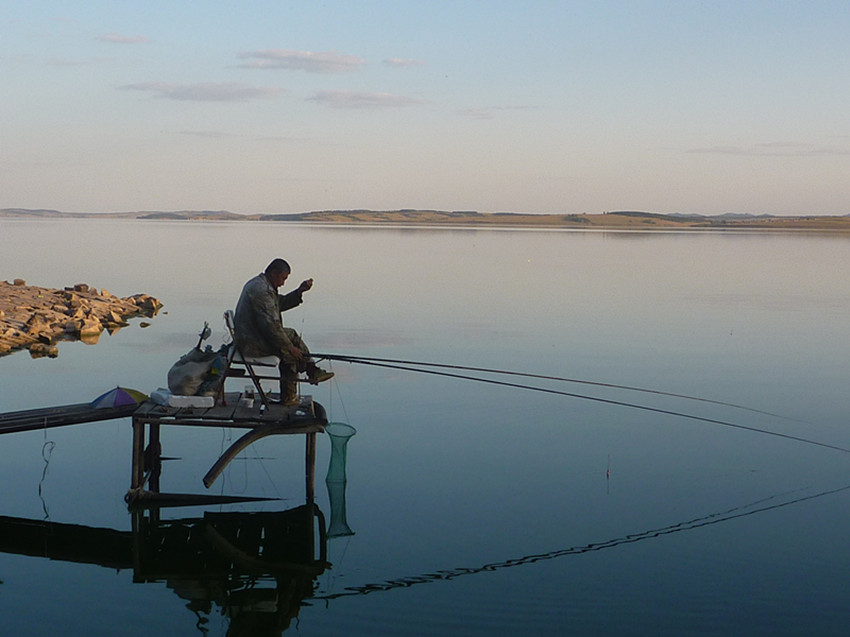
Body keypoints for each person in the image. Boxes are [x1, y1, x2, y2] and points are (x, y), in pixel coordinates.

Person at [233, 258, 333, 405]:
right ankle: (289, 398)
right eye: (283, 278)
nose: (283, 283)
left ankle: (311, 369)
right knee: (288, 353)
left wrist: (299, 291)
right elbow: (271, 327)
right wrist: (290, 348)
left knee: (291, 335)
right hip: (251, 342)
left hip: (254, 334)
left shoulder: (262, 285)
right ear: (273, 273)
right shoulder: (261, 290)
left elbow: (280, 304)